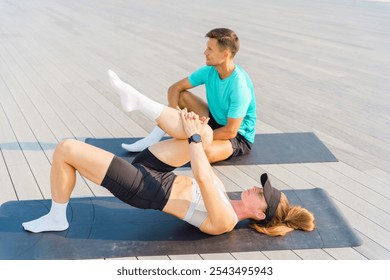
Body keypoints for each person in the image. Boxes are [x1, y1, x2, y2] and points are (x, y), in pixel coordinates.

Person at [22, 70, 314, 236]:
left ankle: (57, 217)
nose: (255, 188)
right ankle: (139, 101)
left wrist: (193, 138)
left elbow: (200, 172)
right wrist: (196, 136)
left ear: (260, 213)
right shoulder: (227, 198)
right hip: (159, 170)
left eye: (261, 193)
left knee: (66, 148)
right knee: (209, 133)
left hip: (145, 188)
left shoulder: (225, 220)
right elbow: (199, 161)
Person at [121, 28, 257, 164]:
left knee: (203, 154)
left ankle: (184, 138)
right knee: (182, 97)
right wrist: (174, 116)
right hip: (214, 120)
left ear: (225, 54)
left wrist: (195, 136)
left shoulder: (240, 87)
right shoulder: (209, 71)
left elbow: (230, 131)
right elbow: (175, 88)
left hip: (237, 136)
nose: (205, 52)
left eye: (210, 49)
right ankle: (152, 139)